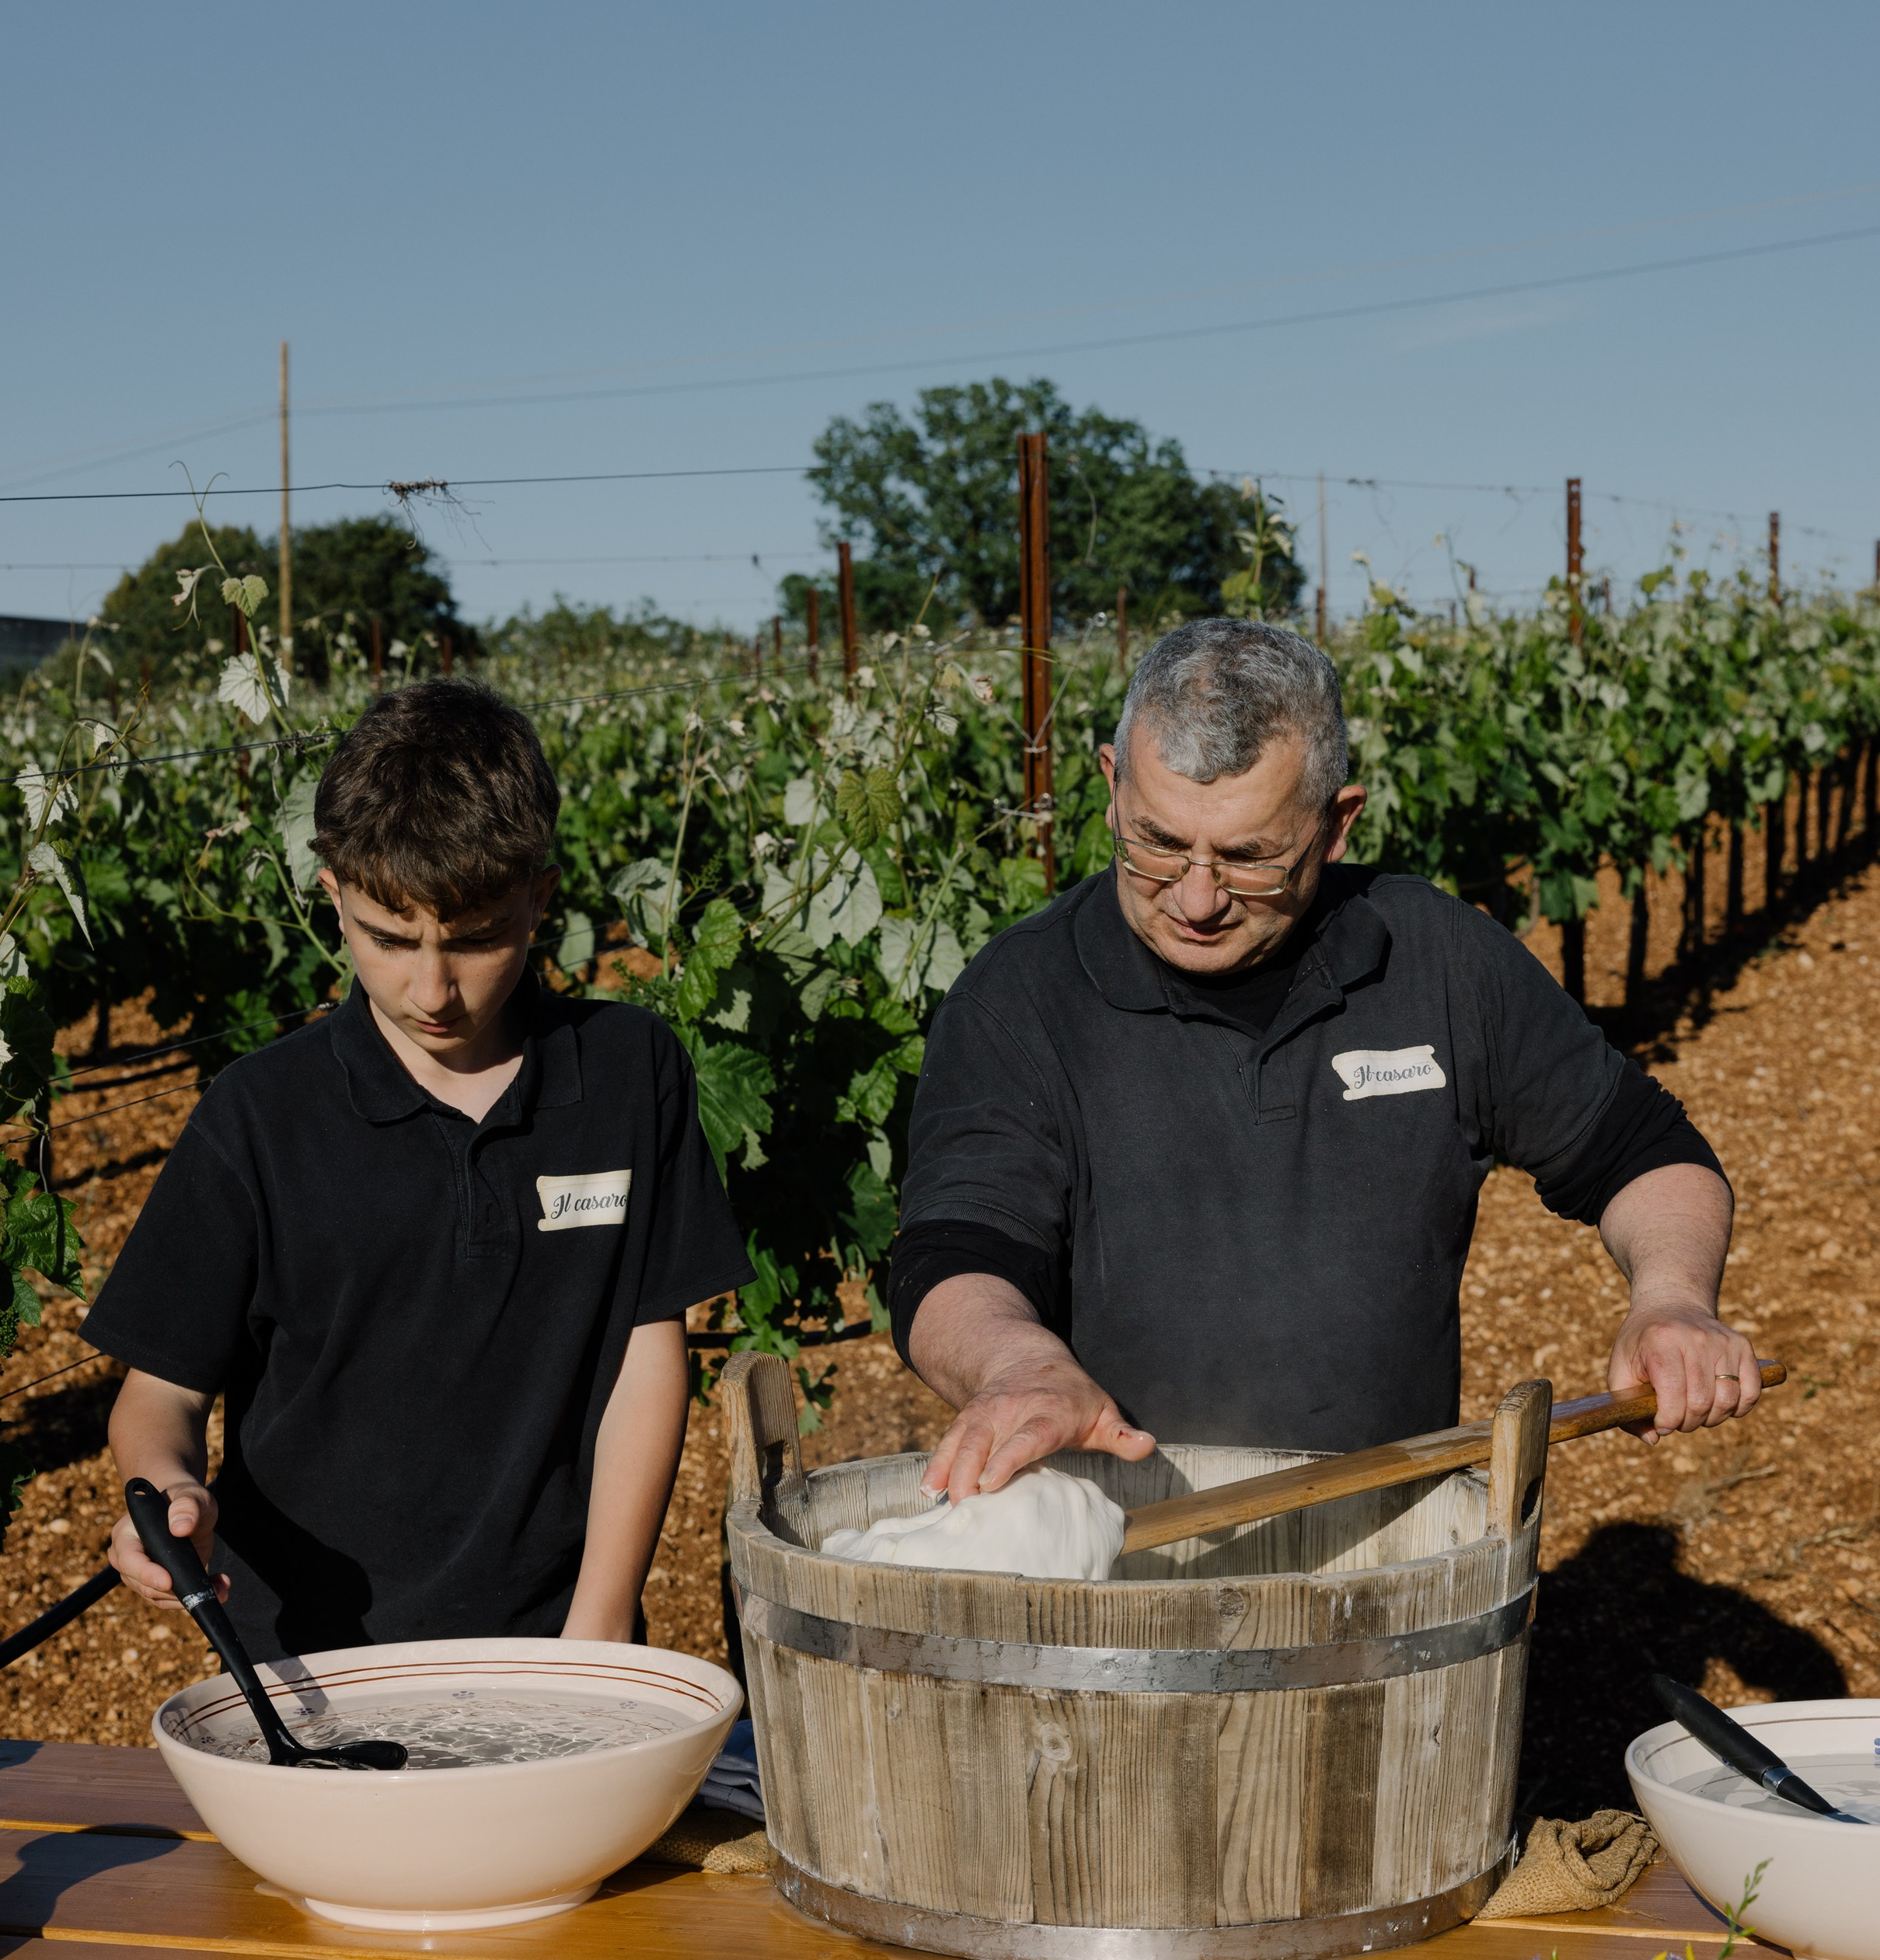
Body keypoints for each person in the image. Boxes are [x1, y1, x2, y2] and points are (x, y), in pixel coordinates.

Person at [894, 616, 1761, 1504]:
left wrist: (1672, 1300)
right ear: (1113, 787)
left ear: (1336, 822)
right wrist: (1020, 1363)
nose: (1196, 899)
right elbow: (957, 1249)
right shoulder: (1019, 998)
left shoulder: (1439, 960)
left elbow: (1644, 1153)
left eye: (1250, 857)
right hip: (1116, 1571)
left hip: (1391, 1563)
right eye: (1156, 842)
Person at [90, 678, 750, 1654]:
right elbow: (163, 1392)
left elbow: (646, 1360)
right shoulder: (261, 1115)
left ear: (540, 896)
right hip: (309, 1658)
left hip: (558, 1640)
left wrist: (598, 1631)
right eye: (388, 939)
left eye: (478, 940)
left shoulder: (627, 1074)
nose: (431, 987)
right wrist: (173, 1483)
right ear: (333, 897)